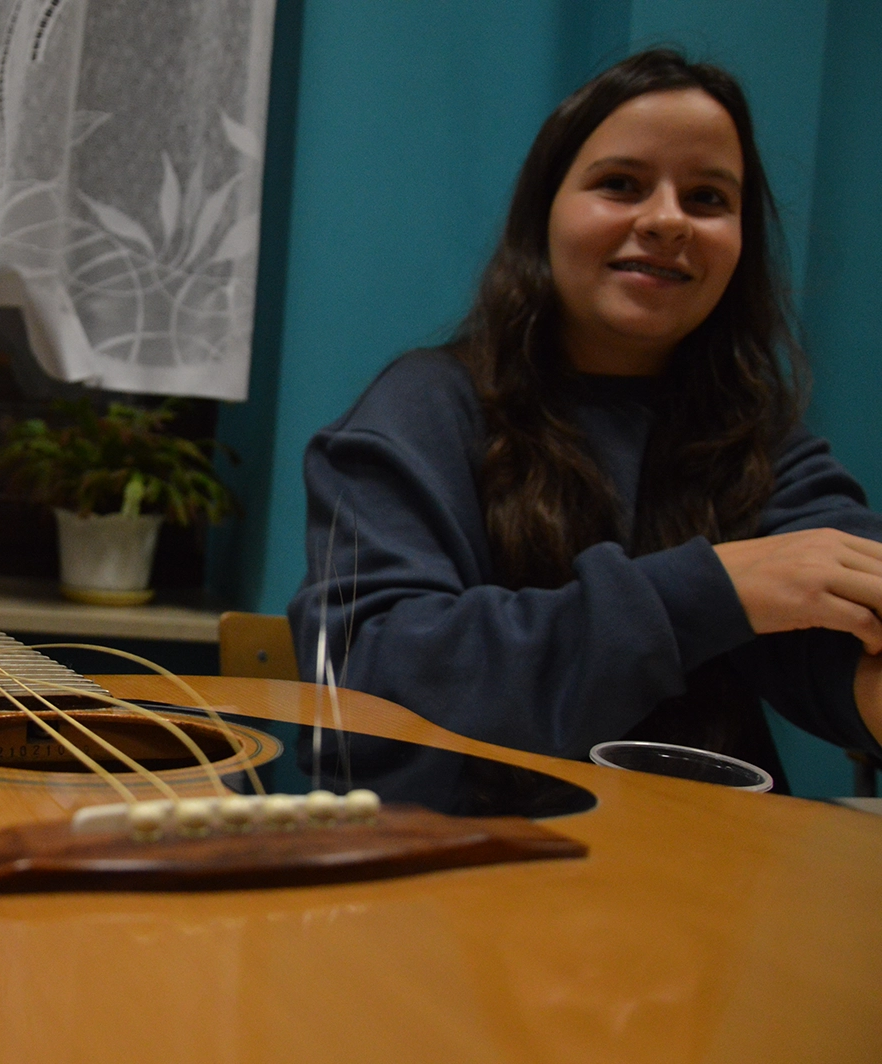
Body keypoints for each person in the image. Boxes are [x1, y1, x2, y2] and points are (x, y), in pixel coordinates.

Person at [288, 49, 882, 784]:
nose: (667, 221)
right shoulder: (420, 411)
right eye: (621, 184)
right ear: (544, 213)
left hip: (717, 848)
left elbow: (841, 622)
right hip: (473, 851)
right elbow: (367, 686)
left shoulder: (762, 441)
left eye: (706, 198)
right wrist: (713, 591)